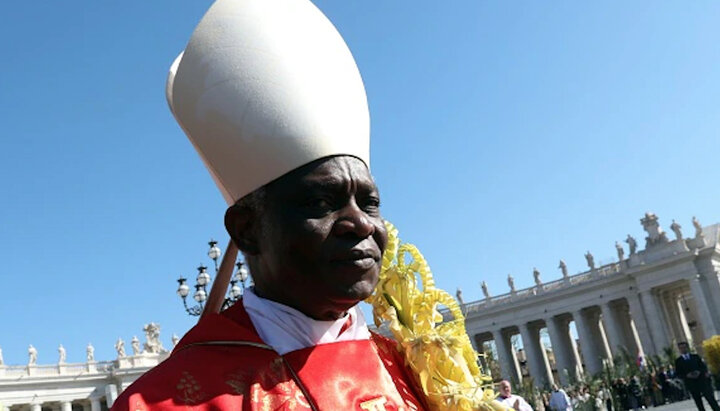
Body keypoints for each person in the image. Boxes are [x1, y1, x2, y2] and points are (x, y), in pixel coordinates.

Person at [111, 0, 426, 409]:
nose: (360, 224)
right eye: (319, 201)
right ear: (247, 230)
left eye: (369, 203)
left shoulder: (416, 369)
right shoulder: (159, 403)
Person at [675, 341, 720, 411]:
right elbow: (678, 373)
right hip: (691, 384)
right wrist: (687, 375)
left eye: (684, 347)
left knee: (710, 398)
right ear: (679, 349)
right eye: (681, 348)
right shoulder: (678, 361)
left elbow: (703, 367)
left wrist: (699, 372)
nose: (683, 349)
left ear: (687, 348)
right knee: (698, 402)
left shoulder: (695, 357)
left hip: (702, 381)